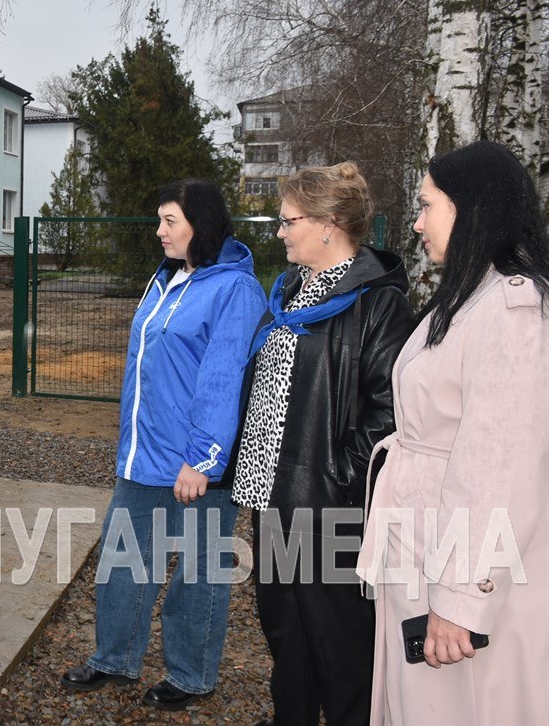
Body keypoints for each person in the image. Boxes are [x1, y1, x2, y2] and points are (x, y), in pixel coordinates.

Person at [355, 142, 549, 724]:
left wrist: (461, 601)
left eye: (426, 205)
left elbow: (500, 465)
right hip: (424, 544)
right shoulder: (469, 296)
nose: (415, 223)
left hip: (458, 566)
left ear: (471, 208)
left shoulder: (512, 310)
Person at [61, 179, 266, 711]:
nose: (160, 231)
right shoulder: (168, 278)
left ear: (201, 223)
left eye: (170, 221)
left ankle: (193, 674)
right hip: (143, 456)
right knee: (124, 561)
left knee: (198, 575)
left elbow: (223, 380)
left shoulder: (235, 290)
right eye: (159, 220)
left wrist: (202, 459)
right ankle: (114, 657)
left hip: (197, 464)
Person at [229, 161, 414, 726]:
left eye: (289, 221)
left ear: (330, 223)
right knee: (286, 634)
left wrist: (336, 477)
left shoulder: (378, 303)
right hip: (273, 496)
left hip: (327, 506)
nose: (280, 232)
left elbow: (390, 413)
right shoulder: (291, 291)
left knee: (341, 648)